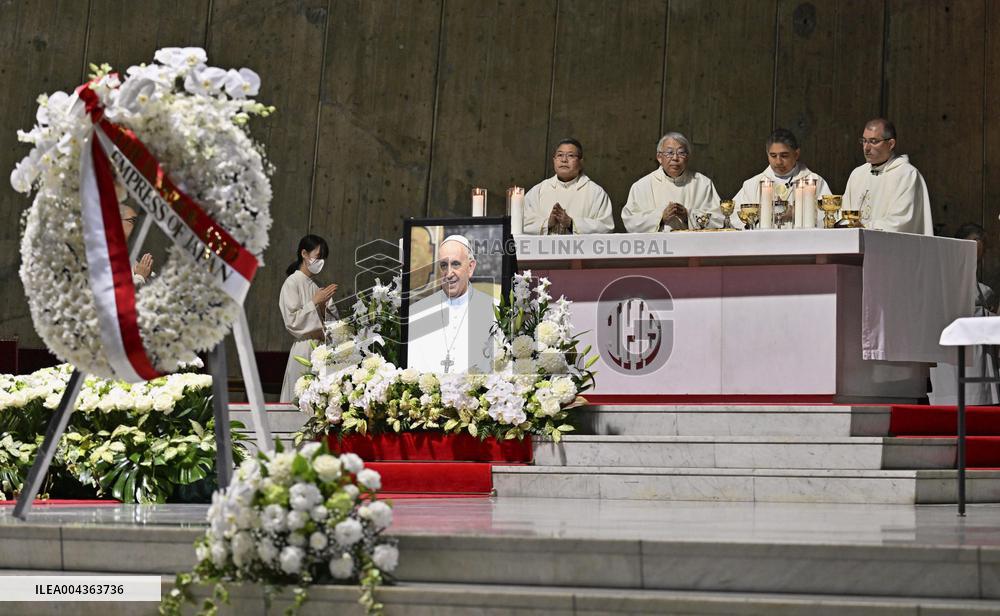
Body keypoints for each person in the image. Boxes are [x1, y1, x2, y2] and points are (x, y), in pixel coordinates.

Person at [407, 235, 496, 373]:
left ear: (470, 267)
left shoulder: (494, 310)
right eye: (443, 265)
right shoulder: (417, 313)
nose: (449, 273)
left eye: (455, 264)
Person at [842, 118, 933, 234]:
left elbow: (901, 221)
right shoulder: (857, 174)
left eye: (873, 141)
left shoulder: (906, 175)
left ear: (890, 144)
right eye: (864, 141)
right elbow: (844, 213)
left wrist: (864, 227)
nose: (866, 148)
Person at [622, 132, 723, 232]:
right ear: (659, 157)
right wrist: (660, 217)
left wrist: (688, 215)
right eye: (670, 153)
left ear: (687, 157)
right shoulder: (642, 186)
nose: (675, 158)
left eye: (681, 153)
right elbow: (631, 222)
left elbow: (719, 219)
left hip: (692, 245)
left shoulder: (703, 184)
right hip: (657, 246)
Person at [731, 128, 833, 227]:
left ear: (796, 154)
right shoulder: (752, 184)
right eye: (773, 156)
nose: (778, 161)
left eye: (784, 155)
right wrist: (763, 214)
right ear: (767, 155)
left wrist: (797, 212)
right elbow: (734, 217)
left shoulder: (814, 182)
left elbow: (831, 216)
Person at [279, 235, 338, 401]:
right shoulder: (292, 282)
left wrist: (323, 306)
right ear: (304, 254)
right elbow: (291, 320)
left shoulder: (316, 285)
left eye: (323, 258)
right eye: (318, 257)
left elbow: (331, 322)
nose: (321, 262)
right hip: (304, 348)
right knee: (301, 398)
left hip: (321, 349)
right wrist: (314, 302)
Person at [521, 139, 614, 235]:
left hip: (580, 249)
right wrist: (547, 224)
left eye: (570, 155)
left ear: (581, 162)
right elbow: (522, 223)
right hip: (543, 249)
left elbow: (606, 227)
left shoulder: (595, 193)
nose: (564, 160)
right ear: (554, 160)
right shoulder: (538, 191)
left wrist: (571, 224)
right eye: (560, 155)